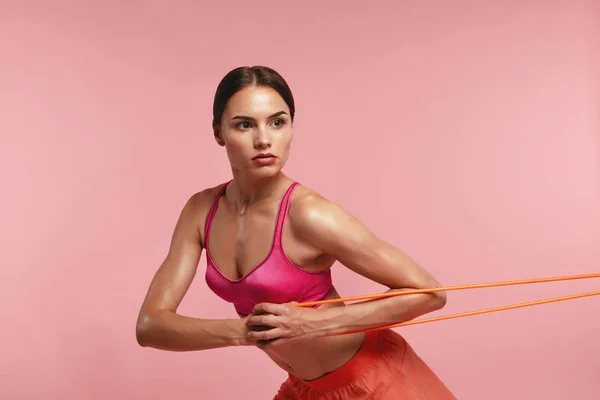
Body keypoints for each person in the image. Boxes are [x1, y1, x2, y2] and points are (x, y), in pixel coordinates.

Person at [136, 65, 456, 399]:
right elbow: (151, 326)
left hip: (380, 382)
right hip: (307, 390)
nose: (263, 139)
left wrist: (314, 324)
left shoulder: (310, 214)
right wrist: (243, 332)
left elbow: (430, 292)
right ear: (218, 132)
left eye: (277, 122)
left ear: (291, 127)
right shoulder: (200, 211)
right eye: (244, 125)